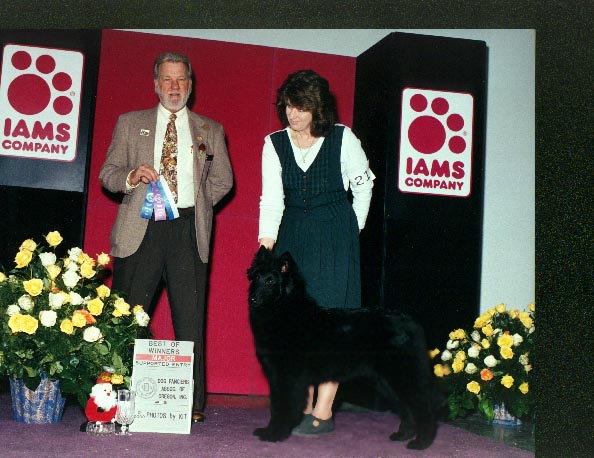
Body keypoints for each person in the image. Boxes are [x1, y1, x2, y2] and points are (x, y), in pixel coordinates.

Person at [99, 52, 233, 423]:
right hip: (141, 228)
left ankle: (191, 403)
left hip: (187, 231)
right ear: (156, 84)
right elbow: (108, 173)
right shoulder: (130, 123)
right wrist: (131, 177)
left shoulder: (210, 129)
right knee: (126, 316)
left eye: (181, 79)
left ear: (190, 84)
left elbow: (223, 180)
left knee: (190, 318)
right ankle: (115, 397)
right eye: (167, 79)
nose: (175, 87)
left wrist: (196, 203)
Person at [258, 69, 374, 435]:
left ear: (317, 108)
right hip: (293, 235)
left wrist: (351, 231)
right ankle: (304, 405)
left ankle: (323, 411)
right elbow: (271, 199)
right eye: (288, 106)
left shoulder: (342, 137)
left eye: (301, 107)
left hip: (335, 233)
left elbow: (364, 187)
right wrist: (266, 245)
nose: (292, 114)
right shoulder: (274, 143)